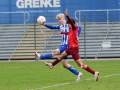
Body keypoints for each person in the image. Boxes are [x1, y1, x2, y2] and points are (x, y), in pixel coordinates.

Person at [44, 9, 99, 81]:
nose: (67, 25)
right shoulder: (71, 30)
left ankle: (94, 72)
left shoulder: (74, 27)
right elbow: (68, 33)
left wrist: (67, 16)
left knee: (80, 65)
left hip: (74, 49)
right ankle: (52, 65)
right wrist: (62, 33)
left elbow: (72, 24)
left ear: (70, 24)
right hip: (70, 48)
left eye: (68, 24)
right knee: (61, 56)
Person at [34, 13, 83, 81]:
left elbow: (80, 27)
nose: (59, 21)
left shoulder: (69, 25)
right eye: (58, 20)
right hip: (63, 45)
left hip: (67, 45)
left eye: (59, 19)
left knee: (55, 52)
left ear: (63, 18)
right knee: (64, 64)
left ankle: (40, 56)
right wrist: (44, 24)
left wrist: (77, 35)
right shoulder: (60, 26)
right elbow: (52, 27)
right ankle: (78, 73)